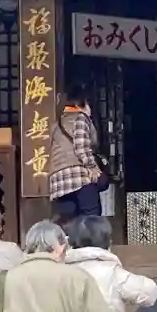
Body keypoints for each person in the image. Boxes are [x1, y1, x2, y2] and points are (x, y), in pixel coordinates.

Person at [48, 87, 104, 223]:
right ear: (81, 104)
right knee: (91, 217)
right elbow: (81, 147)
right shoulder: (80, 118)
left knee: (69, 221)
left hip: (58, 183)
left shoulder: (56, 125)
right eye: (89, 104)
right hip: (78, 177)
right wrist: (93, 168)